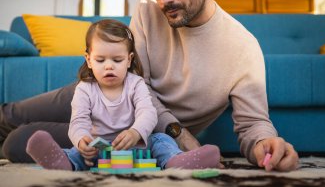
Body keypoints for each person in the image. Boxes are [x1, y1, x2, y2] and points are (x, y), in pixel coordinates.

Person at [0, 0, 298, 171]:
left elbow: (252, 124)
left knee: (17, 143)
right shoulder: (148, 7)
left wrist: (265, 145)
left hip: (135, 132)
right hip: (99, 91)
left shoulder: (243, 48)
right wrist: (178, 132)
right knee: (10, 114)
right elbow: (134, 80)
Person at [25, 19, 220, 170]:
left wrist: (135, 132)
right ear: (89, 60)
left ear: (129, 60)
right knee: (78, 151)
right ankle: (64, 162)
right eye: (100, 60)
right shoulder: (85, 88)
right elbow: (78, 121)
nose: (109, 66)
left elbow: (148, 113)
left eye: (117, 60)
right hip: (100, 151)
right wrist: (81, 139)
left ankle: (176, 161)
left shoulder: (135, 84)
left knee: (162, 140)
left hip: (138, 146)